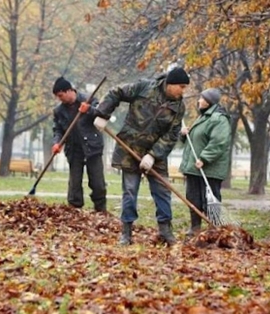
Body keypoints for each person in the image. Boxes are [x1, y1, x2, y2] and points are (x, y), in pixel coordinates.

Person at [93, 67, 191, 246]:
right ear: (170, 84)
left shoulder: (179, 107)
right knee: (130, 192)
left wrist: (153, 155)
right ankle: (127, 232)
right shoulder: (144, 88)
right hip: (130, 147)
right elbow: (116, 92)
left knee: (162, 192)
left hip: (156, 154)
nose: (184, 91)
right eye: (182, 87)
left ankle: (165, 231)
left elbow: (172, 135)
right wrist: (102, 114)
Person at [179, 88, 231, 239]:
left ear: (208, 102)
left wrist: (204, 158)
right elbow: (195, 141)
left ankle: (213, 230)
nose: (198, 101)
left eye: (201, 98)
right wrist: (184, 134)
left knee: (210, 200)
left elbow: (219, 142)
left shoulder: (218, 119)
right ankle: (195, 228)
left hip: (209, 169)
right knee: (193, 198)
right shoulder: (203, 118)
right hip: (194, 168)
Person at [51, 76, 107, 212]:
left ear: (70, 90)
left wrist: (89, 109)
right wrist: (57, 143)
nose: (60, 99)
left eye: (61, 95)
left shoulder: (89, 100)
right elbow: (58, 129)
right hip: (74, 149)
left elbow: (103, 113)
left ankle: (100, 209)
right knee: (74, 182)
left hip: (92, 146)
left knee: (97, 182)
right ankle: (75, 210)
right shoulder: (59, 111)